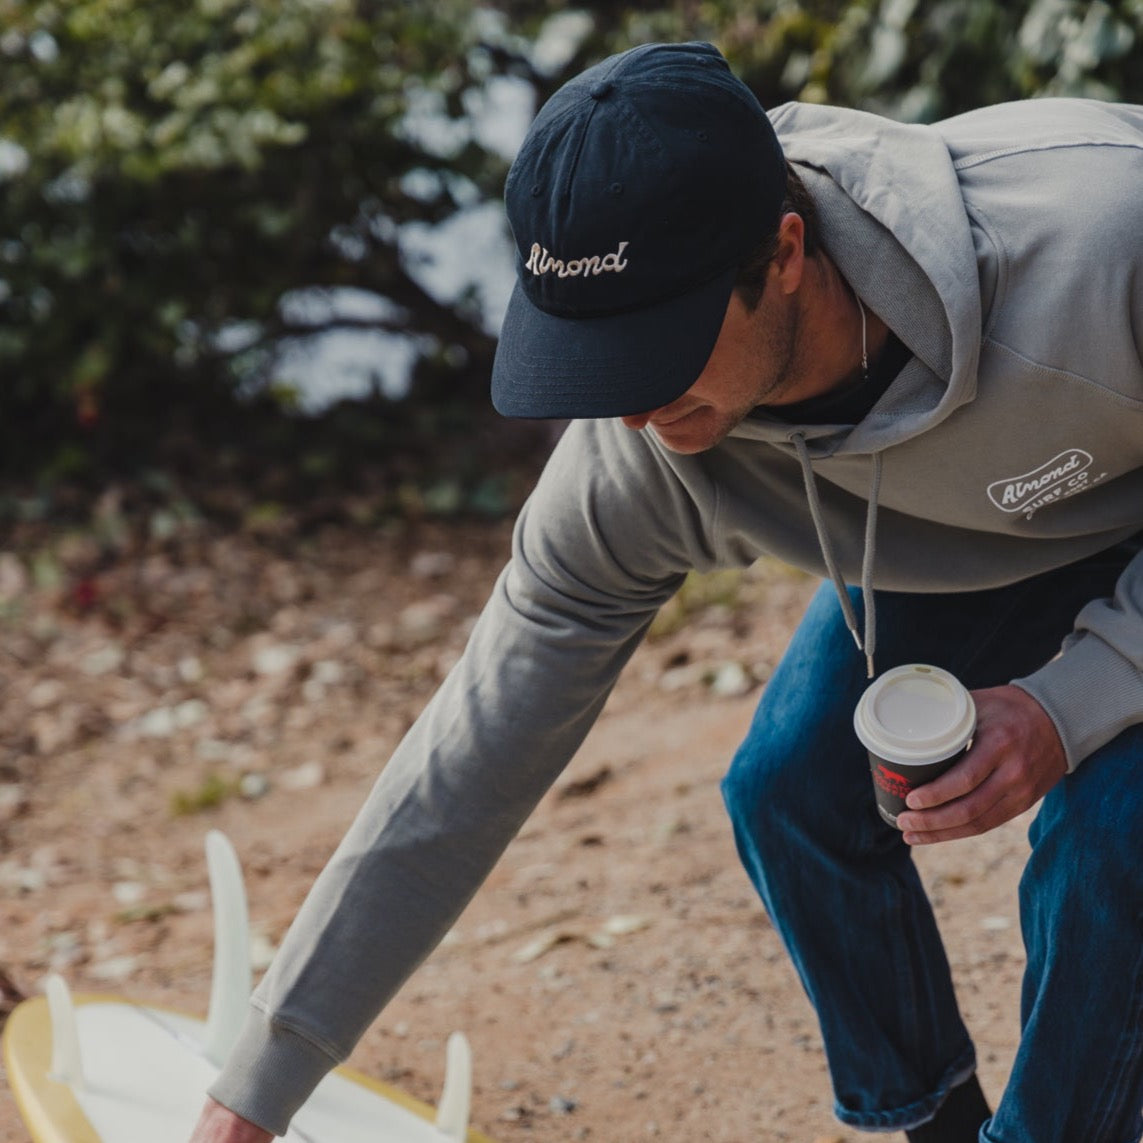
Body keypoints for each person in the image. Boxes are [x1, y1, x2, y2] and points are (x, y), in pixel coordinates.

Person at [190, 40, 1143, 1143]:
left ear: (786, 252)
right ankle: (930, 1122)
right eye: (596, 358)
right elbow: (468, 758)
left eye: (661, 346)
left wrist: (1074, 703)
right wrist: (253, 1094)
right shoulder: (646, 448)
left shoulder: (1100, 240)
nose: (632, 408)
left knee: (1111, 835)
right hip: (991, 541)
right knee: (787, 789)